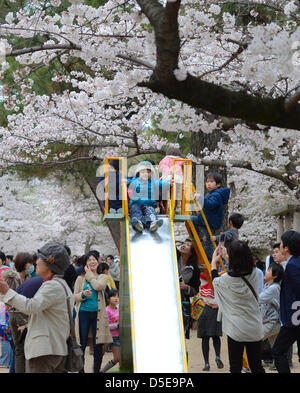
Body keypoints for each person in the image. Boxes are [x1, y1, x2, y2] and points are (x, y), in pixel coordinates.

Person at [0, 242, 72, 373]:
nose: (36, 262)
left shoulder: (52, 286)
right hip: (54, 348)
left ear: (49, 264)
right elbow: (51, 316)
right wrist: (29, 326)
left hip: (44, 351)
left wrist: (7, 291)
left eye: (39, 259)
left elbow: (31, 306)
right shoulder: (60, 284)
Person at [211, 241, 265, 373]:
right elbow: (240, 268)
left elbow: (215, 280)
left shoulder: (225, 280)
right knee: (256, 366)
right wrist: (226, 257)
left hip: (236, 329)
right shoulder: (255, 273)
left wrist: (214, 262)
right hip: (254, 326)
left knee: (235, 367)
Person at [74, 251, 112, 373]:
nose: (92, 261)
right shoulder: (80, 278)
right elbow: (74, 296)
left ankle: (96, 370)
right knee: (82, 344)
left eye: (94, 259)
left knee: (98, 345)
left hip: (98, 315)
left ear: (98, 261)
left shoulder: (103, 277)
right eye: (89, 260)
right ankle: (81, 371)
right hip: (83, 314)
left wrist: (89, 274)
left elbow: (98, 287)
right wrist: (83, 295)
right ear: (86, 263)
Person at [272, 230, 300, 373]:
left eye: (282, 243)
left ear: (287, 248)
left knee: (278, 352)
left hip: (294, 318)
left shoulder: (292, 265)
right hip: (294, 317)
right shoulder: (294, 263)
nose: (280, 246)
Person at [191, 172, 230, 262]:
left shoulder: (217, 195)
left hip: (209, 222)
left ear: (218, 184)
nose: (208, 184)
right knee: (191, 219)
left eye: (211, 182)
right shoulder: (211, 193)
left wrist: (200, 198)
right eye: (207, 181)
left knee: (207, 243)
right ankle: (198, 236)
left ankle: (210, 261)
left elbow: (210, 205)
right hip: (204, 219)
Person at [126, 160, 172, 233]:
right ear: (139, 173)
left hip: (148, 204)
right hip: (136, 204)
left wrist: (169, 182)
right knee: (135, 211)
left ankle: (153, 224)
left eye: (148, 172)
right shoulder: (135, 181)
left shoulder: (153, 182)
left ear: (151, 173)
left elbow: (161, 184)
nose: (146, 174)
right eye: (143, 172)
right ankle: (138, 223)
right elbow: (128, 182)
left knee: (151, 212)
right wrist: (126, 181)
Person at [259, 263, 284, 370]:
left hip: (272, 322)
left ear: (275, 275)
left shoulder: (274, 288)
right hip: (270, 321)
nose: (266, 271)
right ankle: (278, 364)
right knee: (276, 347)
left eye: (269, 270)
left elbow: (259, 299)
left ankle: (253, 362)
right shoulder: (267, 286)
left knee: (255, 339)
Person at [197, 273, 223, 371]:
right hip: (215, 310)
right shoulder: (217, 283)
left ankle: (207, 363)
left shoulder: (200, 281)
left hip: (203, 310)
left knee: (205, 339)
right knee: (216, 337)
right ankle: (217, 356)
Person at [177, 239, 200, 341]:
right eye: (183, 243)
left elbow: (196, 289)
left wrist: (187, 287)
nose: (183, 245)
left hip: (182, 302)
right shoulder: (173, 257)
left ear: (191, 252)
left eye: (187, 245)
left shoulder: (194, 269)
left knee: (180, 332)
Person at [100, 289, 120, 373]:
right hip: (106, 336)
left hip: (116, 337)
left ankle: (102, 371)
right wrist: (117, 325)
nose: (116, 298)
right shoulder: (106, 310)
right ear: (108, 299)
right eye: (113, 296)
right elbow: (106, 326)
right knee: (100, 355)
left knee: (117, 358)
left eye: (117, 296)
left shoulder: (119, 309)